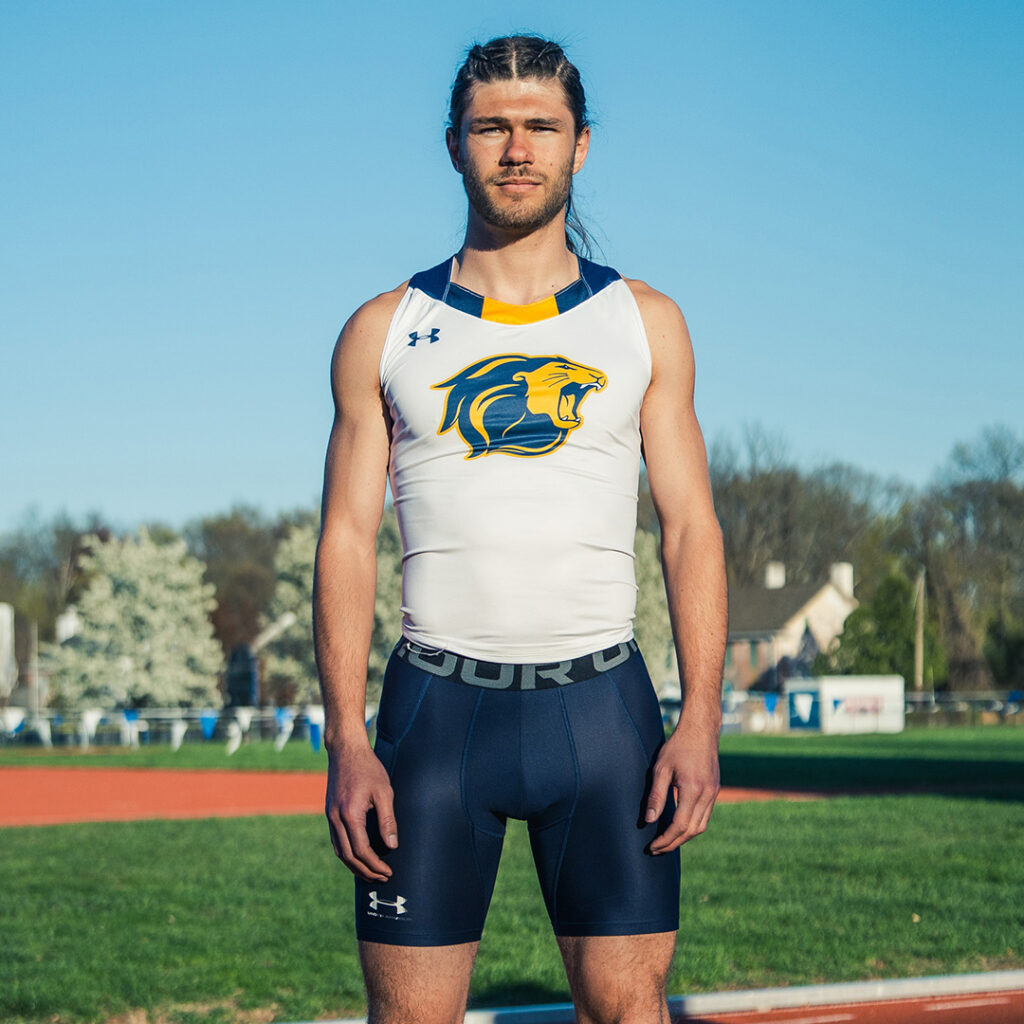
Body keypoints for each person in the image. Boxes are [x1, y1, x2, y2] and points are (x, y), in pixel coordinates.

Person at [314, 34, 727, 1024]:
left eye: (539, 127)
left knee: (629, 1011)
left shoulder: (643, 321)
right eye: (490, 127)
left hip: (603, 718)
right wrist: (343, 738)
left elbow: (689, 529)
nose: (515, 149)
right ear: (452, 144)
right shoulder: (385, 328)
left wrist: (702, 718)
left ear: (579, 145)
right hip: (432, 720)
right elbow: (343, 538)